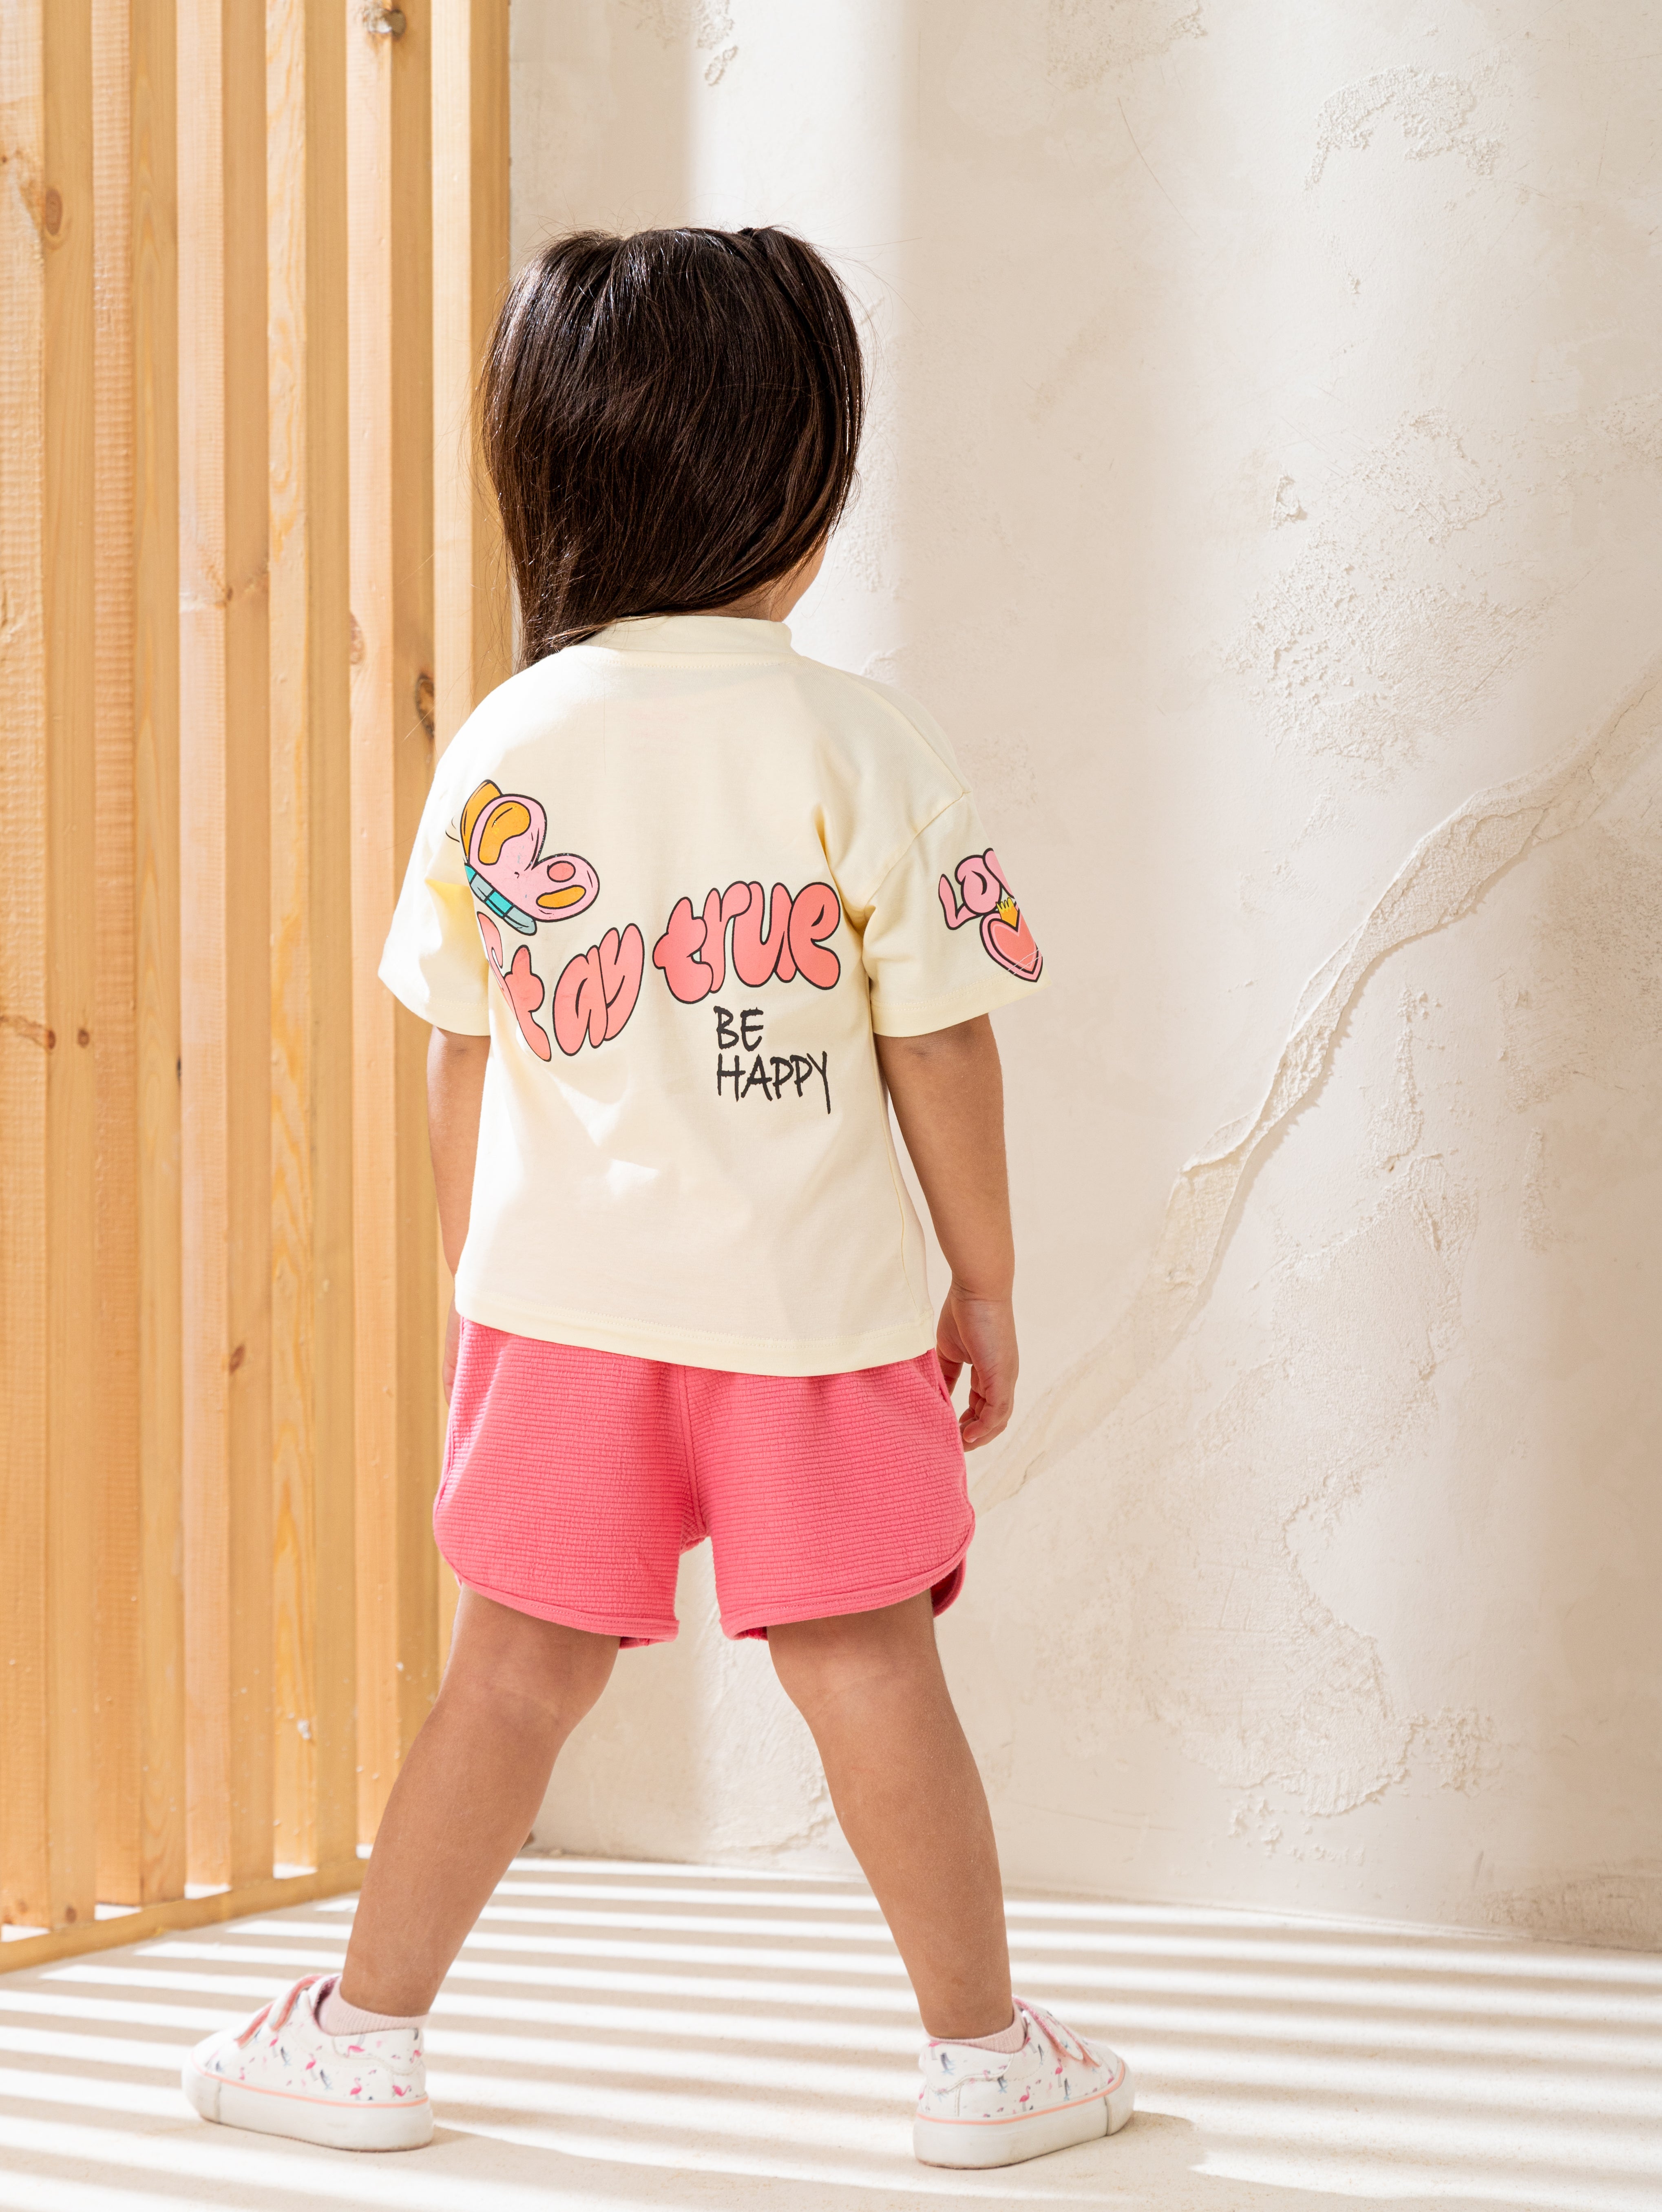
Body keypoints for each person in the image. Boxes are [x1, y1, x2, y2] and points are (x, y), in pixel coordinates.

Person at [182, 226, 1134, 2170]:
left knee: (507, 1680)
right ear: (801, 490)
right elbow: (943, 1044)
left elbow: (459, 1051)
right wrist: (986, 1284)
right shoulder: (863, 742)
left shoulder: (507, 747)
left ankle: (358, 2039)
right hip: (816, 1321)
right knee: (866, 1665)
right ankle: (982, 2063)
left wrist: (484, 1288)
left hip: (561, 1323)